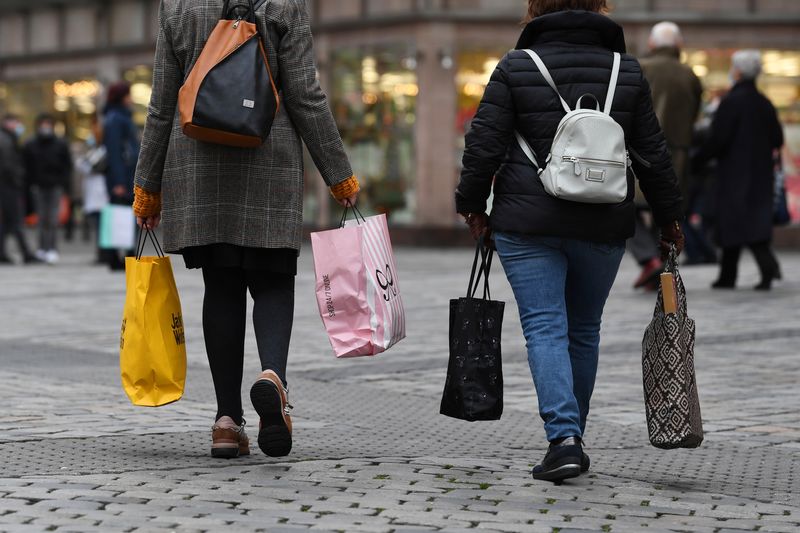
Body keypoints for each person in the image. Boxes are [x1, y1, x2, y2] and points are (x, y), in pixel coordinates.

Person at [456, 0, 684, 483]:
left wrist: (473, 206)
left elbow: (484, 145)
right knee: (584, 329)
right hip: (603, 223)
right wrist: (669, 220)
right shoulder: (627, 70)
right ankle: (571, 436)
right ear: (600, 8)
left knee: (544, 326)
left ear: (536, 11)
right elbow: (653, 156)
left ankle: (564, 441)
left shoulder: (517, 66)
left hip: (527, 222)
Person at [132, 0, 359, 459]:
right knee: (274, 279)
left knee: (221, 287)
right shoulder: (284, 4)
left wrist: (147, 186)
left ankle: (225, 421)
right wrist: (339, 175)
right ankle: (272, 375)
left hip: (197, 162)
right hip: (267, 155)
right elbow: (304, 94)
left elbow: (161, 102)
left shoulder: (177, 6)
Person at [629, 22, 704, 288]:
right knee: (666, 214)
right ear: (679, 46)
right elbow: (695, 115)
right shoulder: (690, 75)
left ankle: (649, 260)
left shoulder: (641, 68)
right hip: (677, 155)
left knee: (625, 208)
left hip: (640, 153)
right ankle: (663, 271)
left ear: (651, 44)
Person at [703, 50, 784, 291]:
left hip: (733, 173)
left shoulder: (731, 102)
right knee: (755, 225)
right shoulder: (765, 103)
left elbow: (718, 139)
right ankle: (763, 271)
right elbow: (777, 138)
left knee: (732, 225)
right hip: (760, 173)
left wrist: (698, 159)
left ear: (737, 72)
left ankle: (729, 275)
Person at [23, 114, 72, 265]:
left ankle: (51, 248)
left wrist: (64, 184)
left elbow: (67, 166)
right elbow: (26, 166)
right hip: (37, 186)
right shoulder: (30, 144)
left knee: (51, 219)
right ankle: (42, 248)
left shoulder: (60, 144)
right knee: (41, 219)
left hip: (55, 186)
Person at [102, 82, 140, 271]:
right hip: (123, 176)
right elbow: (115, 152)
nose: (130, 98)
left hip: (127, 174)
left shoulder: (119, 116)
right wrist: (118, 181)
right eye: (128, 95)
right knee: (121, 216)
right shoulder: (116, 118)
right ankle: (118, 257)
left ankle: (125, 256)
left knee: (124, 216)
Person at [0, 113, 39, 265]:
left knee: (8, 222)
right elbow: (8, 165)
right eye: (16, 123)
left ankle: (2, 253)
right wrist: (19, 179)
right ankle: (26, 253)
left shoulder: (8, 138)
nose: (18, 127)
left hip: (7, 185)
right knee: (16, 220)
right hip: (9, 185)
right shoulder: (5, 139)